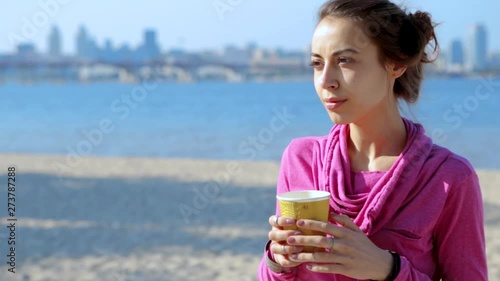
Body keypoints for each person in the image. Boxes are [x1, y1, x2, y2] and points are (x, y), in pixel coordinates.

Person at [258, 0, 488, 280]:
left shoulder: (449, 178)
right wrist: (277, 259)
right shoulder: (301, 158)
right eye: (317, 64)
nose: (326, 80)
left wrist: (388, 269)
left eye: (345, 60)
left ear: (396, 65)